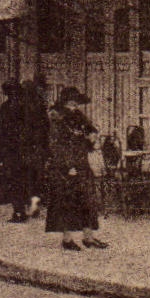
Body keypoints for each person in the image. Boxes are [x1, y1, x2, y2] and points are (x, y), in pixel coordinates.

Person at [44, 87, 108, 251]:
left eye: (76, 104)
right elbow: (56, 145)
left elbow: (90, 128)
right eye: (72, 103)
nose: (74, 107)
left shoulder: (78, 115)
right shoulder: (56, 118)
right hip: (65, 166)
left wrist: (92, 135)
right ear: (65, 103)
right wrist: (68, 166)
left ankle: (88, 237)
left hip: (81, 163)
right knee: (66, 202)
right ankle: (67, 239)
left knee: (87, 200)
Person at [0, 81, 32, 222]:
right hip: (23, 150)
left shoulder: (5, 108)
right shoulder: (26, 107)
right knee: (22, 180)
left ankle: (19, 212)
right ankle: (24, 210)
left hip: (11, 150)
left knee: (14, 180)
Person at [20, 78, 50, 217]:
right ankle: (35, 201)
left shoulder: (23, 107)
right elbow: (47, 128)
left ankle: (30, 203)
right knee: (38, 175)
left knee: (27, 176)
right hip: (40, 147)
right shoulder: (41, 106)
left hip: (27, 147)